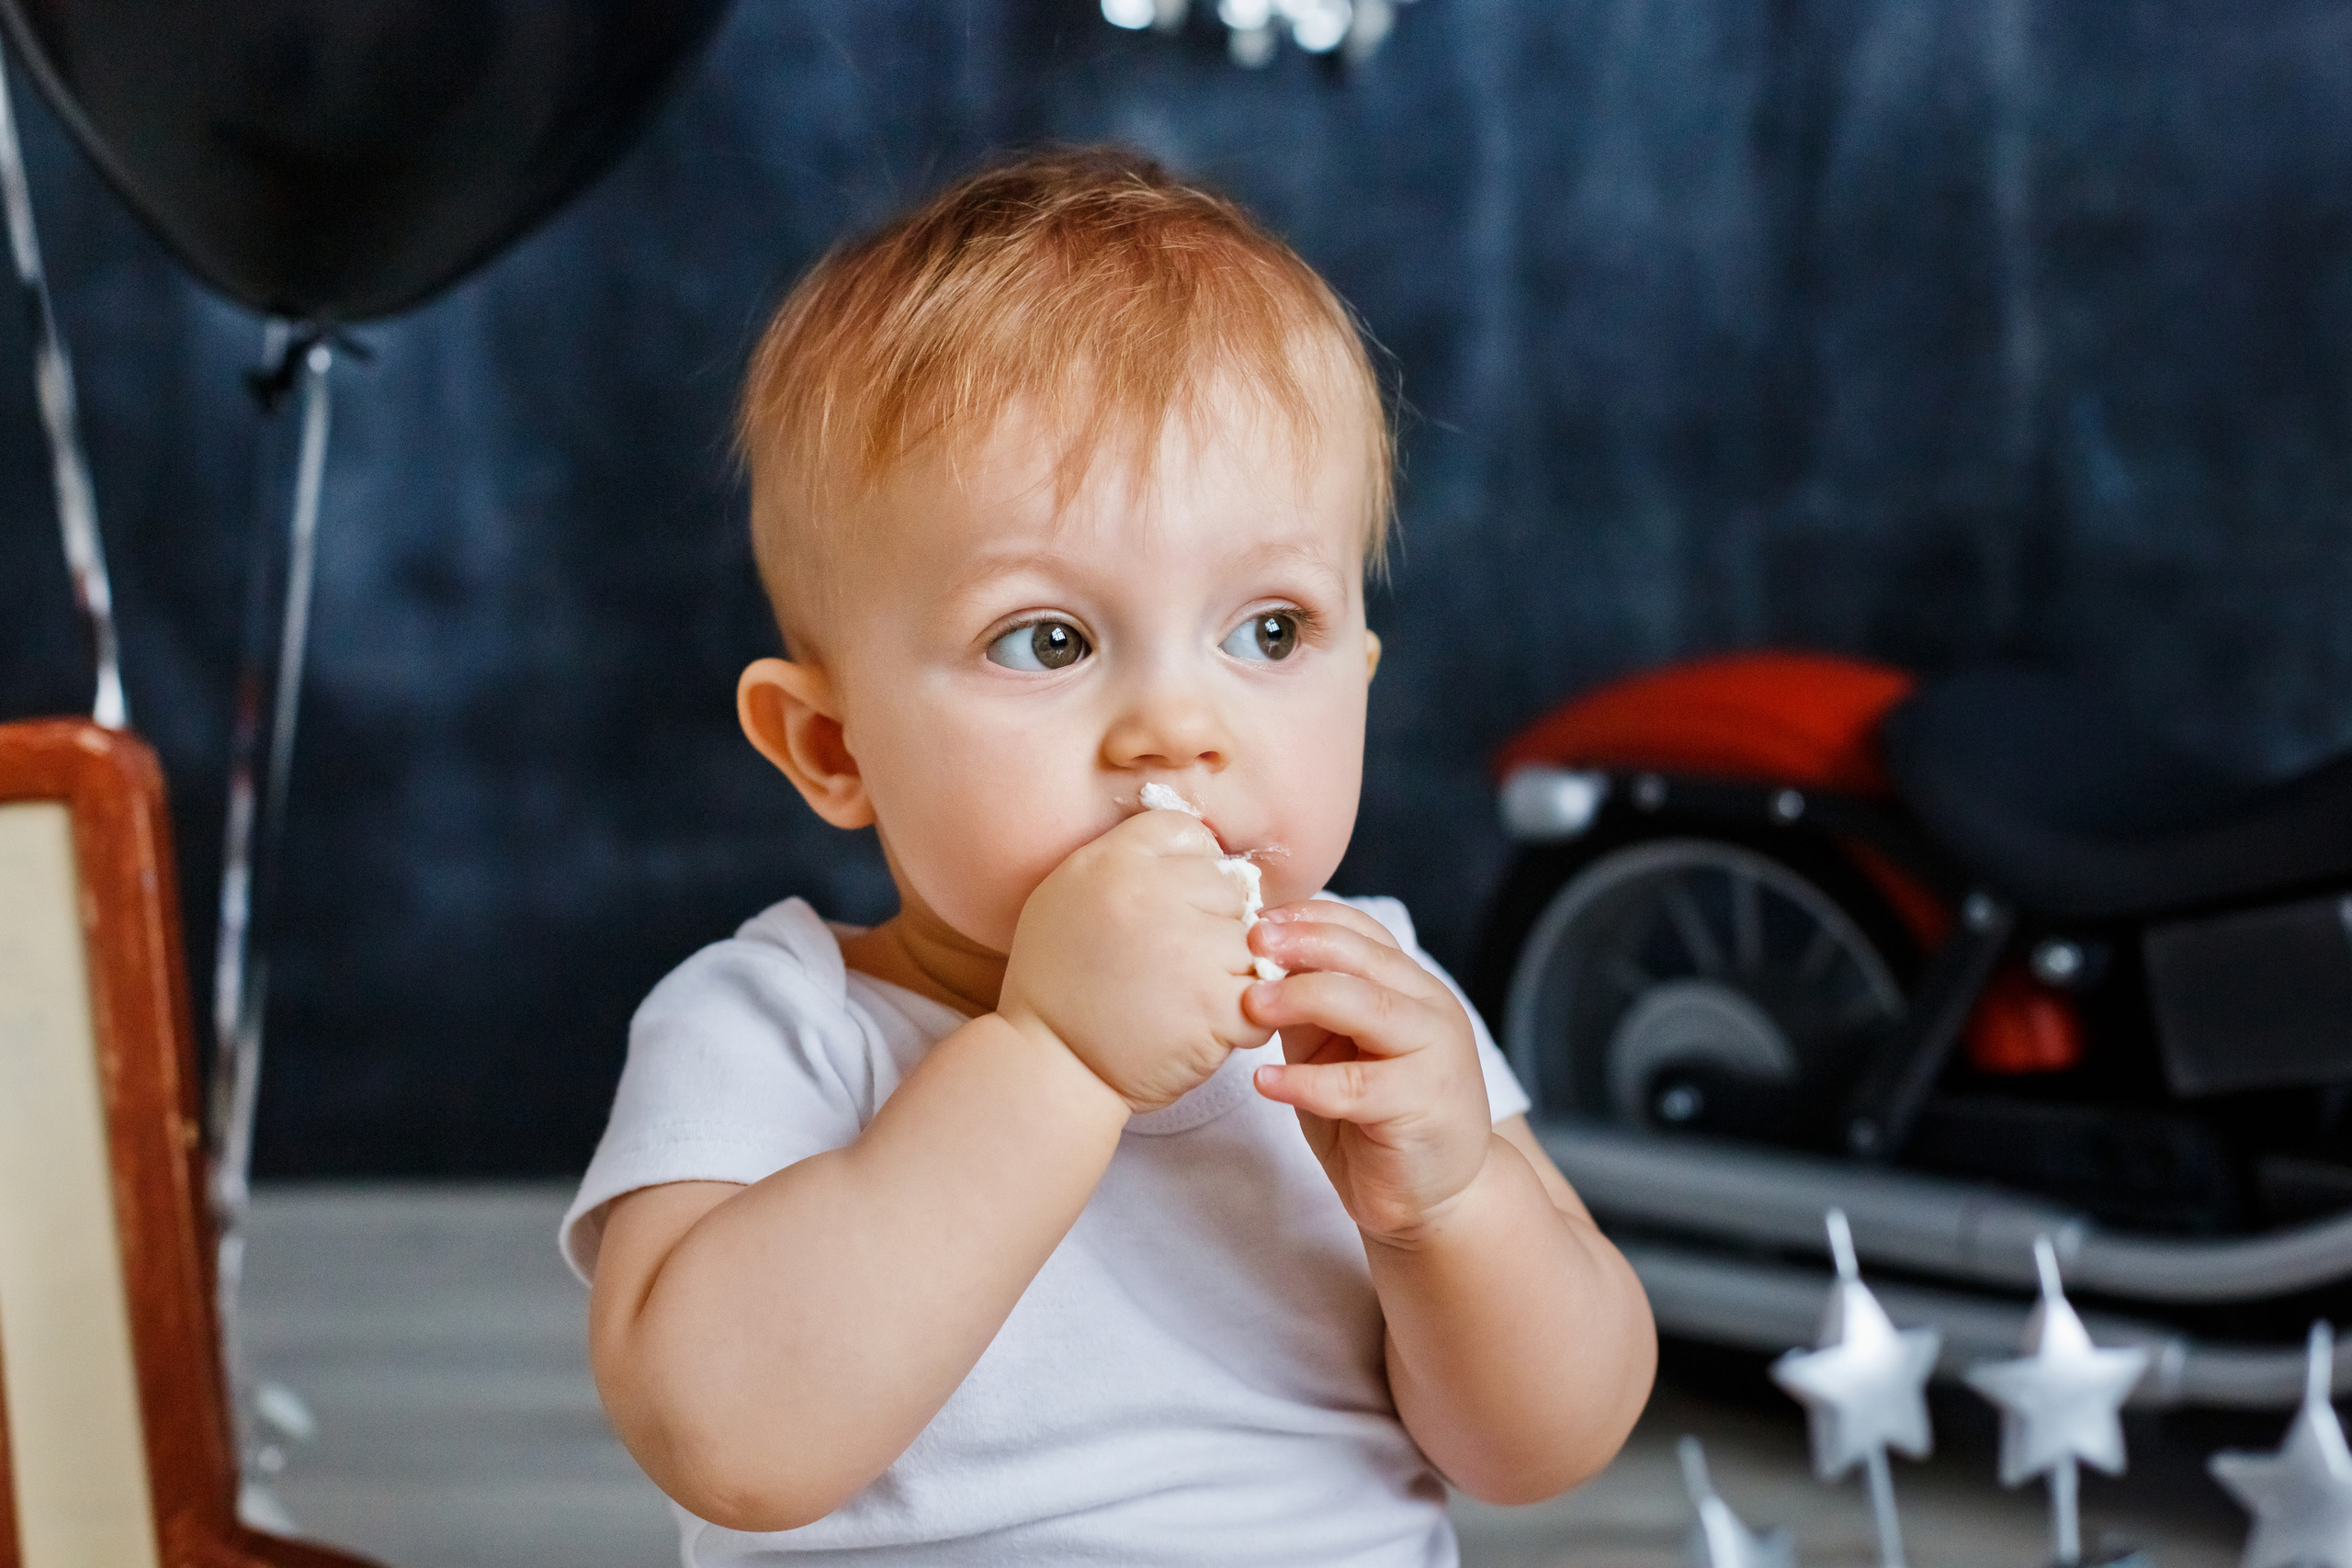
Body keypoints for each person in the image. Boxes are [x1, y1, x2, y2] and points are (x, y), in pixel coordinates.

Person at [561, 146, 1655, 1565]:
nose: (1179, 729)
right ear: (833, 750)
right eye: (1049, 640)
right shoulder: (773, 1030)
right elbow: (730, 1443)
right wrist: (1055, 1057)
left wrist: (1451, 1204)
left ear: (1362, 676)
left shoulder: (1370, 1004)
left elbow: (1543, 1447)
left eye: (1269, 631)